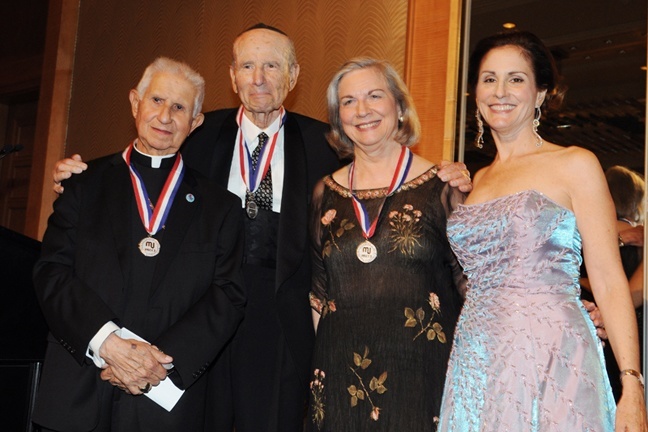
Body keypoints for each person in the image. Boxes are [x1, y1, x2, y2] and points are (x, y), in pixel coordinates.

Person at [51, 24, 474, 432]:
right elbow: (142, 161)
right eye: (247, 66)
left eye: (272, 66)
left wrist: (449, 176)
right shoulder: (196, 130)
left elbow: (380, 184)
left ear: (292, 77)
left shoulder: (326, 143)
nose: (259, 78)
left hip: (282, 332)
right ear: (233, 77)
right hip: (201, 321)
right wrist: (77, 173)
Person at [438, 31, 647, 431]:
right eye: (488, 79)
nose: (500, 91)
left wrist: (633, 385)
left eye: (516, 79)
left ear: (540, 94)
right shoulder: (475, 180)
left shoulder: (574, 164)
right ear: (476, 93)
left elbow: (607, 278)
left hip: (553, 352)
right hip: (478, 357)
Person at [32, 57, 246, 432]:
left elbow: (227, 295)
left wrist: (156, 364)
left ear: (195, 123)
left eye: (180, 107)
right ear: (135, 103)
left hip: (165, 401)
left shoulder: (221, 207)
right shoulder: (82, 185)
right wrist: (107, 343)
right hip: (77, 394)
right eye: (157, 100)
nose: (165, 117)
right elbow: (52, 273)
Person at [306, 57, 467, 431]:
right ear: (338, 117)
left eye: (374, 96)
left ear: (399, 106)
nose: (362, 110)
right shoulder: (323, 193)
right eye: (348, 101)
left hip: (421, 377)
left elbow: (470, 289)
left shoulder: (445, 188)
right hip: (338, 378)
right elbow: (318, 295)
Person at [581, 164, 645, 401]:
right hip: (624, 333)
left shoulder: (583, 233)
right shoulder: (639, 235)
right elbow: (629, 295)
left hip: (596, 331)